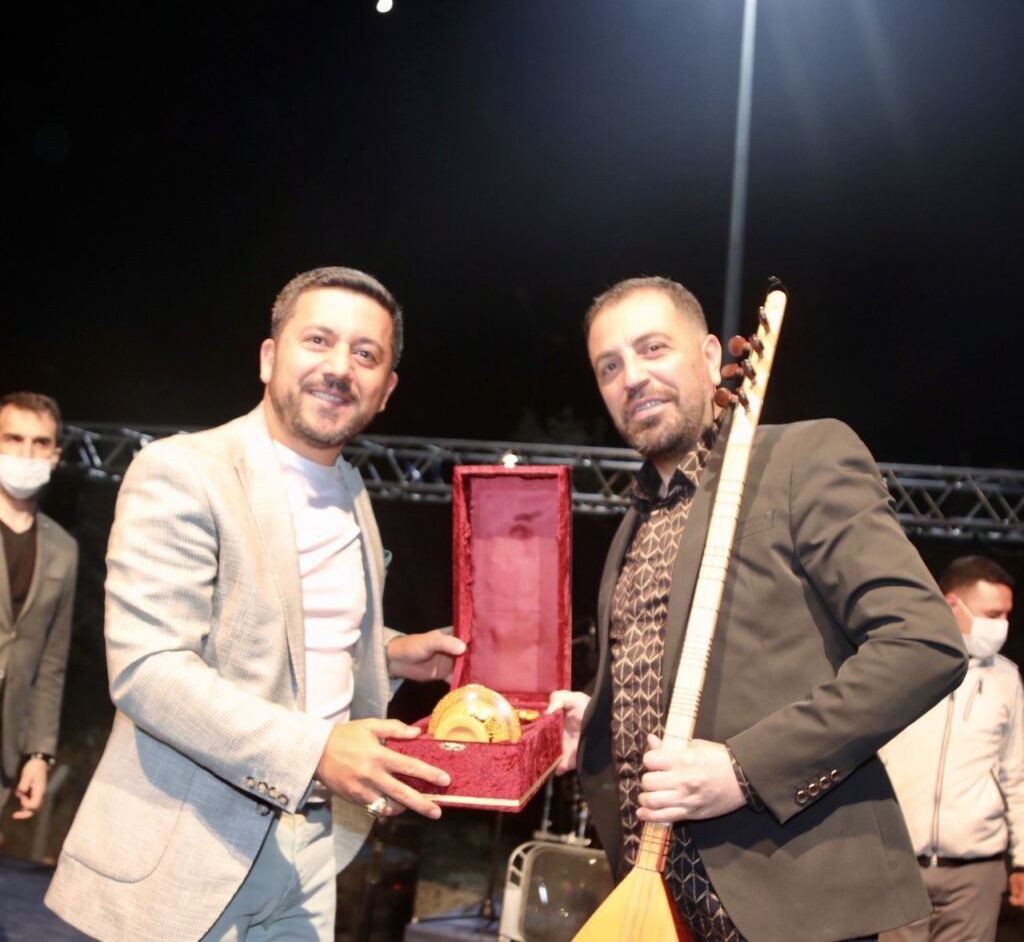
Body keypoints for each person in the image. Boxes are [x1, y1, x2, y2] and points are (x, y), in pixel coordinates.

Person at [46, 267, 465, 940]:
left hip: (314, 849)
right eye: (318, 340)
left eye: (365, 353)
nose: (339, 367)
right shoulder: (183, 470)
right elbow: (148, 669)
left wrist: (389, 651)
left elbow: (287, 624)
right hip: (189, 852)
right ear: (270, 357)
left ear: (386, 390)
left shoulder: (352, 490)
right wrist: (315, 750)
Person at [547, 277, 968, 942]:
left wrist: (745, 770)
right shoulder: (633, 523)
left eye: (653, 348)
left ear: (711, 355)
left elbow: (924, 646)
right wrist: (604, 716)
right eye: (610, 365)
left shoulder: (801, 457)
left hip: (789, 902)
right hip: (655, 903)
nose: (633, 376)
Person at [879, 556, 1023, 942]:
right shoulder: (899, 667)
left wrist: (1022, 860)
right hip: (896, 863)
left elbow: (1017, 775)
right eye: (993, 615)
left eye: (1007, 615)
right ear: (951, 604)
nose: (1002, 625)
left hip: (976, 872)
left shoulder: (1007, 678)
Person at [0, 391, 77, 822]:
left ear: (55, 456)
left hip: (6, 748)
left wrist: (39, 753)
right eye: (13, 439)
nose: (26, 454)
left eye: (40, 443)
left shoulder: (63, 549)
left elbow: (52, 662)